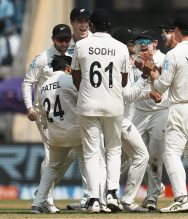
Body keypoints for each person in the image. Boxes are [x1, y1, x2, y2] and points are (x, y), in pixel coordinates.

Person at [148, 14, 188, 213]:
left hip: (181, 107)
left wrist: (152, 73)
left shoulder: (174, 54)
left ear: (178, 31)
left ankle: (182, 198)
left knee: (171, 154)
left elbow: (161, 86)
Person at [71, 8, 129, 213]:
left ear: (92, 26)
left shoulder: (80, 45)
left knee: (91, 153)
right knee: (114, 150)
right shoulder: (121, 47)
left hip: (88, 104)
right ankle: (113, 193)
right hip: (113, 104)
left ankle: (94, 199)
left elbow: (76, 76)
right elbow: (123, 80)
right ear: (109, 26)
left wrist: (87, 91)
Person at [22, 24, 74, 212]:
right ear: (53, 39)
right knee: (52, 156)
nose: (64, 43)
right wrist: (29, 107)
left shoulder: (74, 54)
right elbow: (27, 82)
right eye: (60, 40)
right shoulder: (42, 58)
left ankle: (42, 193)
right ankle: (47, 200)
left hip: (65, 113)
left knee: (70, 155)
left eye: (67, 39)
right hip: (44, 114)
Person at [31, 56, 88, 214]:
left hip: (55, 134)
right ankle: (95, 199)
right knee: (93, 160)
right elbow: (84, 101)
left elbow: (41, 114)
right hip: (76, 131)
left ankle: (37, 202)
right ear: (68, 68)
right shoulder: (69, 80)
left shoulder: (43, 87)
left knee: (51, 167)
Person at [111, 28, 150, 212]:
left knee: (117, 161)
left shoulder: (121, 61)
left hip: (114, 117)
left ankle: (103, 196)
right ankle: (126, 201)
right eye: (130, 43)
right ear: (121, 44)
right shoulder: (121, 62)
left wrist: (149, 93)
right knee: (141, 156)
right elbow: (127, 95)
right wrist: (145, 76)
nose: (133, 47)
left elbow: (131, 95)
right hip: (120, 119)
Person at [132, 29, 167, 210]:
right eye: (140, 41)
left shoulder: (164, 58)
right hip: (139, 112)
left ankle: (152, 197)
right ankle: (157, 186)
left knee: (154, 157)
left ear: (155, 43)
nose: (143, 44)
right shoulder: (134, 60)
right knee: (134, 155)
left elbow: (161, 82)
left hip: (160, 112)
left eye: (146, 40)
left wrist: (150, 66)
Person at [66, 7, 91, 211]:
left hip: (94, 104)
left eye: (86, 20)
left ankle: (95, 195)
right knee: (84, 154)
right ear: (72, 22)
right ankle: (91, 196)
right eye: (79, 21)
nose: (83, 25)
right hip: (71, 108)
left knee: (94, 153)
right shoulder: (65, 44)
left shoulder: (95, 42)